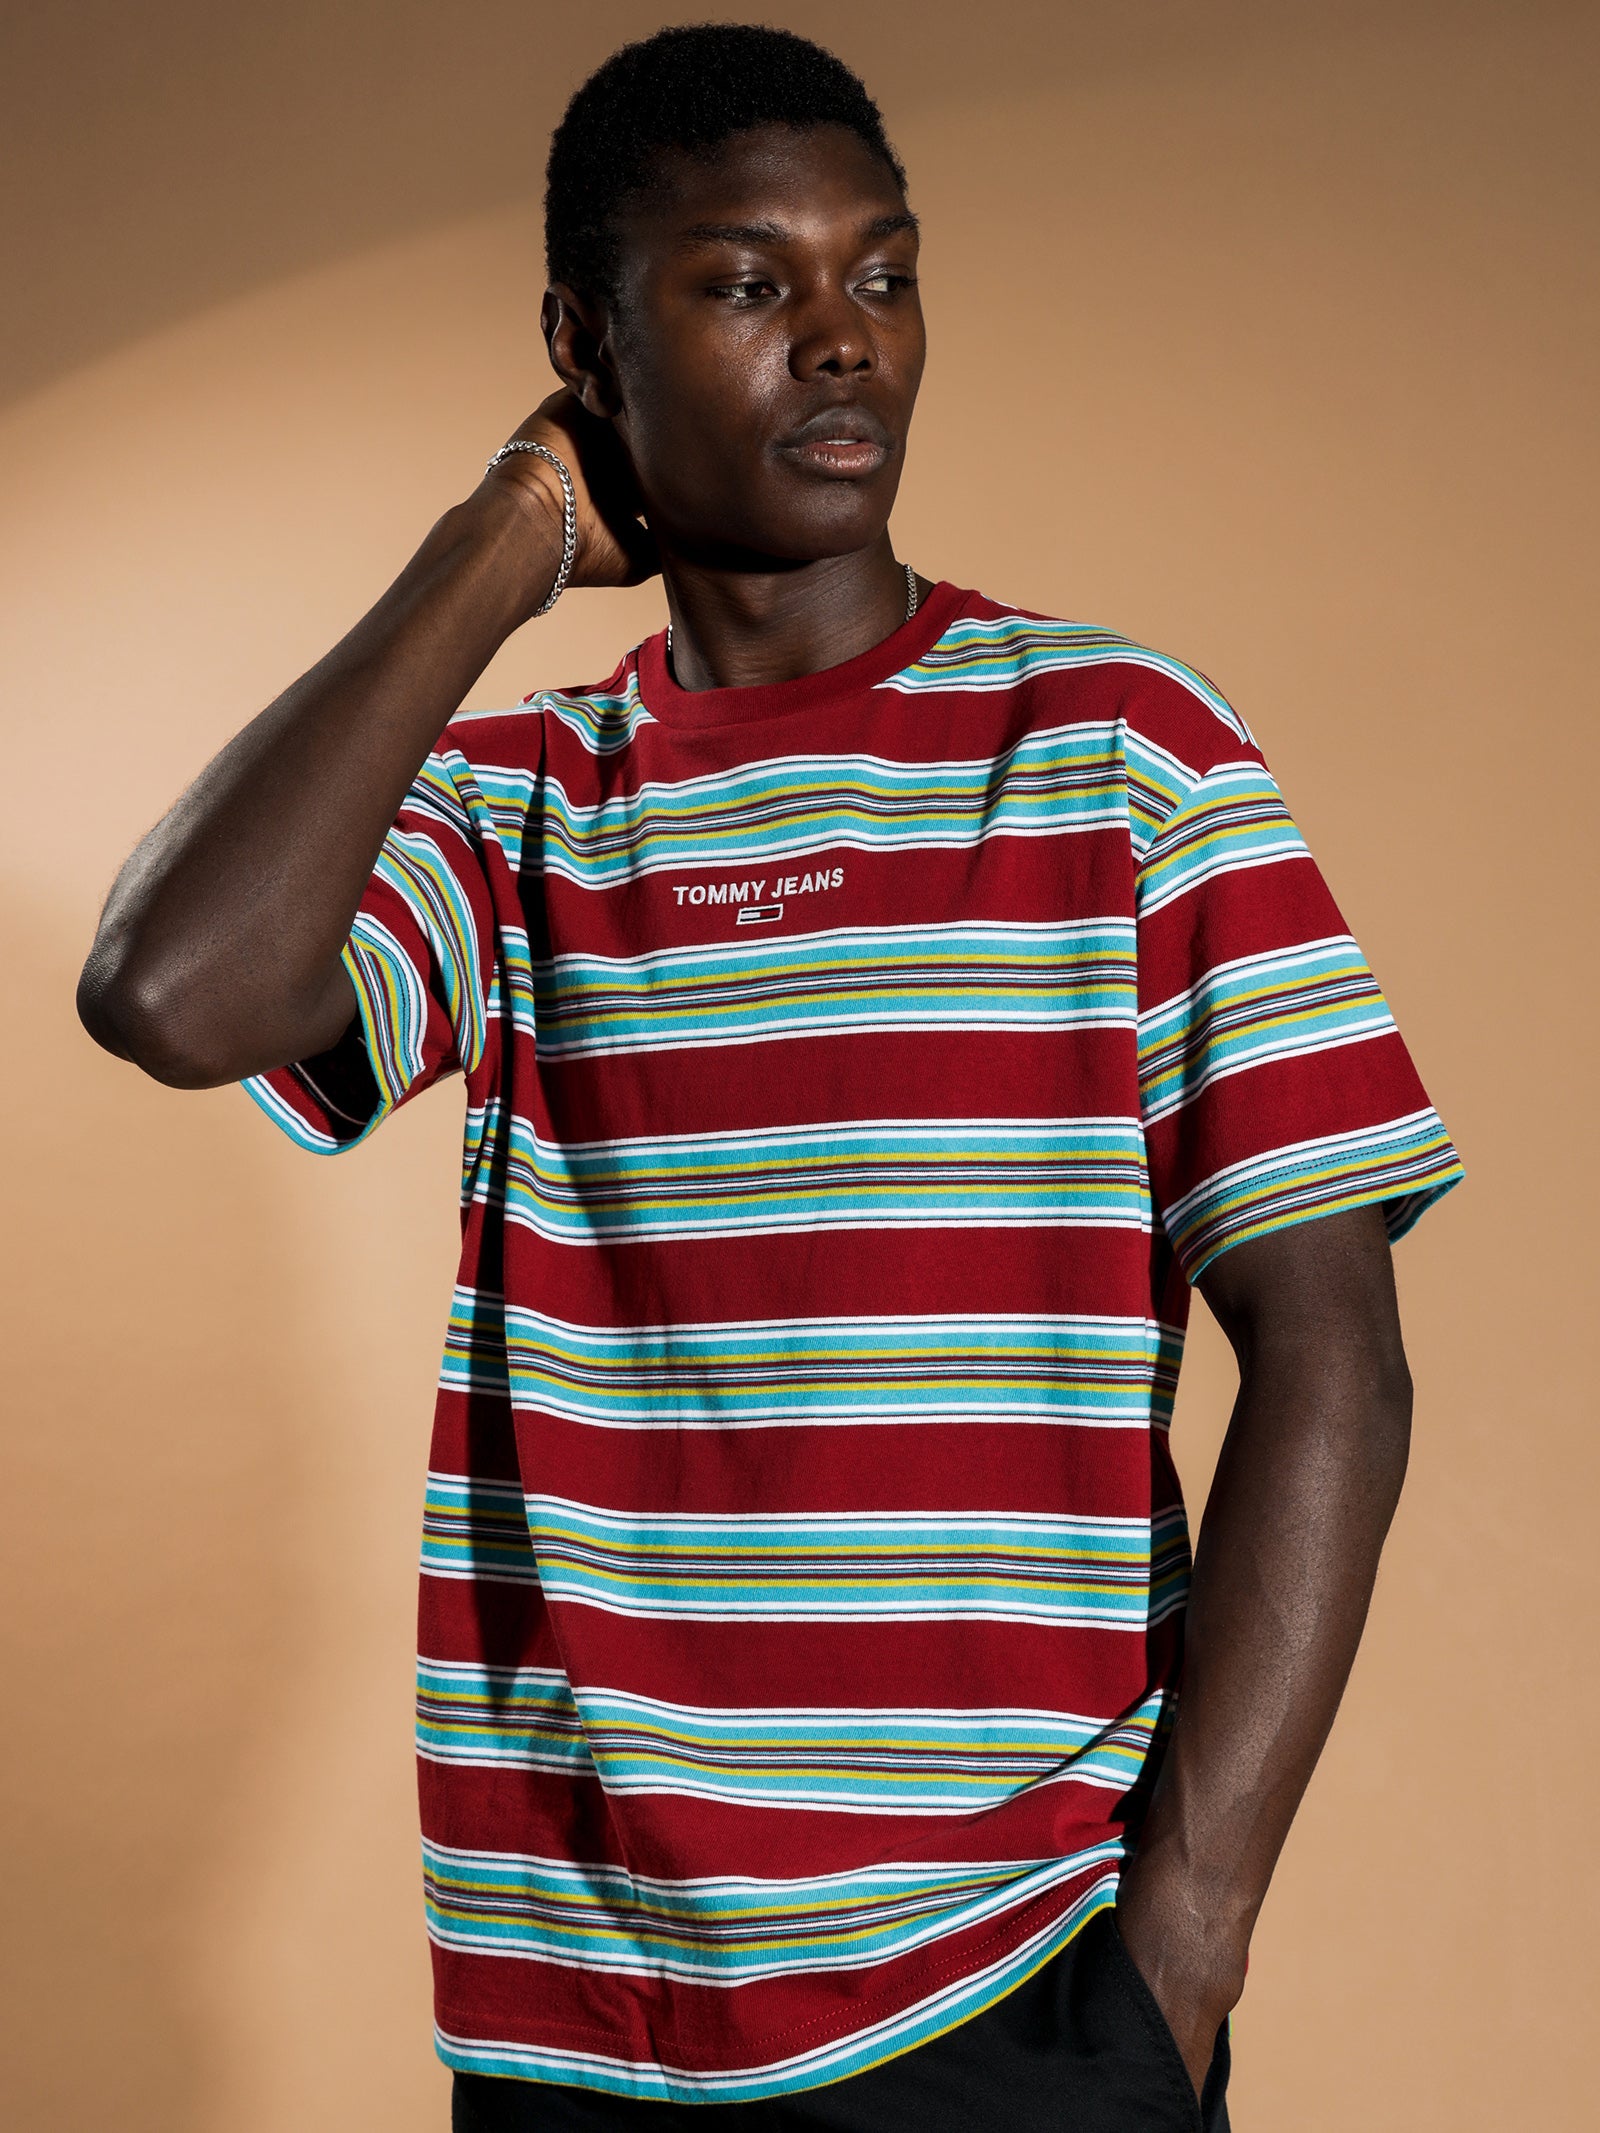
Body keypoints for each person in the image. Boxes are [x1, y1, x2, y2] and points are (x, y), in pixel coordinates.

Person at [77, 24, 1463, 2131]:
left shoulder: (1120, 747)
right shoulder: (517, 802)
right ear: (584, 342)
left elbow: (1335, 1348)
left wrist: (1182, 1933)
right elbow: (176, 992)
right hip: (583, 2004)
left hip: (1016, 1971)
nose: (841, 339)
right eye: (747, 282)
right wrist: (504, 530)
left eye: (882, 275)